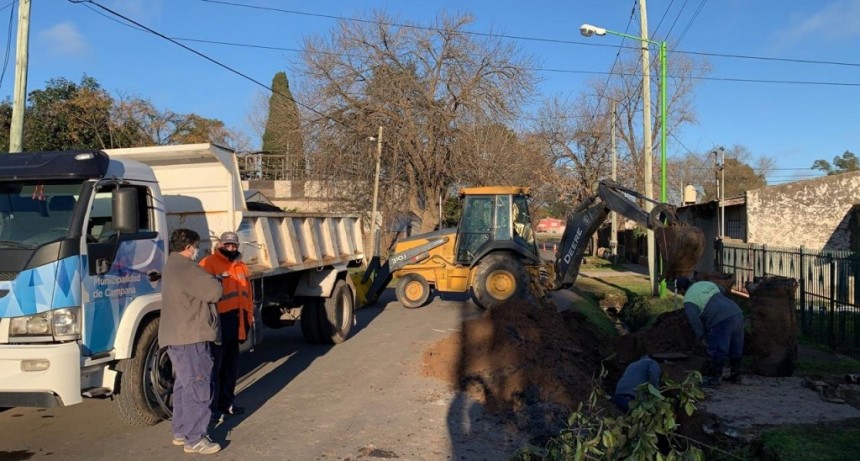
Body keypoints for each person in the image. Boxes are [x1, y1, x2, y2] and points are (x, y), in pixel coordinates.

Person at [159, 228, 224, 454]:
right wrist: (217, 280)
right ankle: (195, 438)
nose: (198, 251)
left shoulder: (171, 265)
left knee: (184, 386)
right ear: (188, 247)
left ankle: (181, 432)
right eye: (196, 246)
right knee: (198, 386)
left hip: (176, 337)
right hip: (191, 336)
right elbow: (214, 292)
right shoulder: (187, 268)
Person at [199, 231, 254, 420]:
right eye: (227, 245)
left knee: (231, 367)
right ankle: (211, 408)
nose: (231, 248)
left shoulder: (241, 266)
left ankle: (227, 403)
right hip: (218, 324)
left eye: (234, 245)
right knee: (214, 368)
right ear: (220, 244)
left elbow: (248, 297)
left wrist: (248, 320)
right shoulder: (208, 264)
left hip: (237, 322)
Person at [676, 277, 744, 388]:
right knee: (736, 347)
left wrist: (702, 337)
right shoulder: (704, 283)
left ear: (681, 289)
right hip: (736, 312)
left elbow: (694, 320)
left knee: (718, 349)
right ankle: (736, 376)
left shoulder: (689, 299)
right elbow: (722, 290)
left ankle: (715, 379)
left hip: (719, 319)